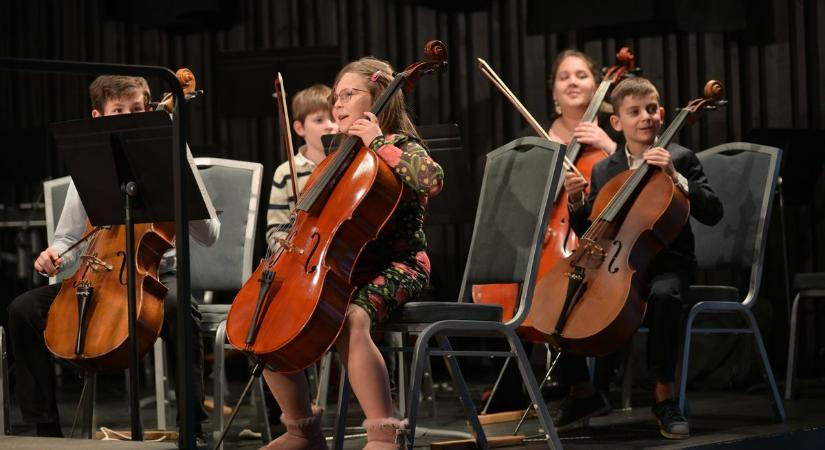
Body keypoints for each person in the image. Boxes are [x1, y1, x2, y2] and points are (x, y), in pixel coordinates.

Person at [6, 75, 220, 447]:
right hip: (94, 273)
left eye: (137, 110)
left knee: (179, 311)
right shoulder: (88, 164)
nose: (129, 117)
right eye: (118, 111)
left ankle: (192, 431)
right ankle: (46, 432)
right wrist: (55, 255)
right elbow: (69, 238)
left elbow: (210, 235)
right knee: (23, 310)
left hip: (152, 276)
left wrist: (180, 181)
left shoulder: (168, 154)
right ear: (97, 115)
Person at [259, 57, 444, 450]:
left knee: (350, 318)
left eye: (349, 95)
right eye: (335, 97)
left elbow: (431, 179)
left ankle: (384, 432)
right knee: (268, 320)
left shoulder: (397, 145)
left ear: (378, 99)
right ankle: (301, 430)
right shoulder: (339, 156)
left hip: (400, 265)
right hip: (349, 266)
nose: (337, 105)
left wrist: (377, 141)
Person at [554, 76, 723, 439]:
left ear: (662, 114)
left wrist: (676, 178)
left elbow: (713, 211)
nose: (645, 117)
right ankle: (584, 392)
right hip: (617, 263)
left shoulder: (680, 158)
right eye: (634, 112)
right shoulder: (604, 169)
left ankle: (664, 397)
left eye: (651, 109)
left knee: (664, 295)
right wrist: (578, 202)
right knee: (564, 293)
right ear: (617, 123)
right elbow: (595, 228)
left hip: (667, 261)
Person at [267, 84, 338, 249]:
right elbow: (275, 230)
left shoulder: (352, 165)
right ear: (300, 128)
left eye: (334, 118)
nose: (330, 125)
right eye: (319, 120)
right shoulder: (285, 173)